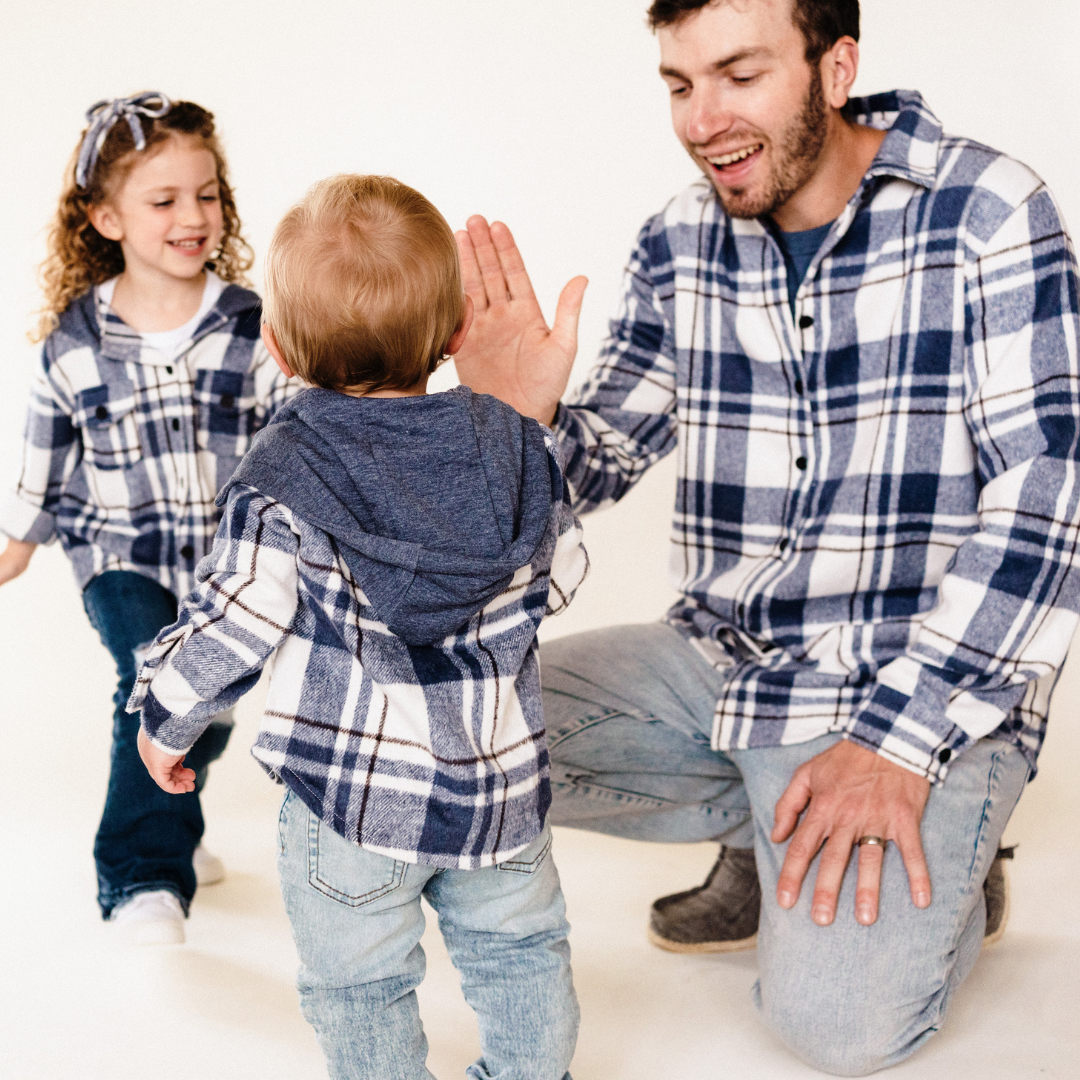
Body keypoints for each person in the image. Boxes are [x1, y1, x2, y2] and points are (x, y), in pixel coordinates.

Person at [451, 0, 1080, 1074]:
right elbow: (600, 459)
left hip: (913, 684)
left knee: (835, 1032)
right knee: (451, 723)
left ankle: (956, 862)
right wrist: (520, 423)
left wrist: (897, 740)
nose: (703, 119)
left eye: (738, 75)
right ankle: (764, 819)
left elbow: (1048, 494)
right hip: (726, 663)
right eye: (679, 83)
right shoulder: (679, 238)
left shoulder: (985, 210)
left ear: (835, 68)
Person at [129, 174, 590, 1080]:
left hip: (352, 809)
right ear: (456, 335)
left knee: (360, 987)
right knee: (525, 959)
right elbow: (561, 574)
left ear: (278, 347)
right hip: (500, 801)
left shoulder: (284, 472)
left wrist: (162, 717)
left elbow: (234, 622)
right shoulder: (516, 445)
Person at [0, 93, 296, 944]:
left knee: (205, 697)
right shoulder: (74, 340)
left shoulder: (253, 326)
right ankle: (142, 877)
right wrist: (16, 544)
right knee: (150, 682)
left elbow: (298, 440)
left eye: (207, 194)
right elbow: (45, 455)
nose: (193, 217)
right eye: (164, 201)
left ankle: (177, 808)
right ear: (105, 217)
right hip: (118, 555)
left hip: (228, 569)